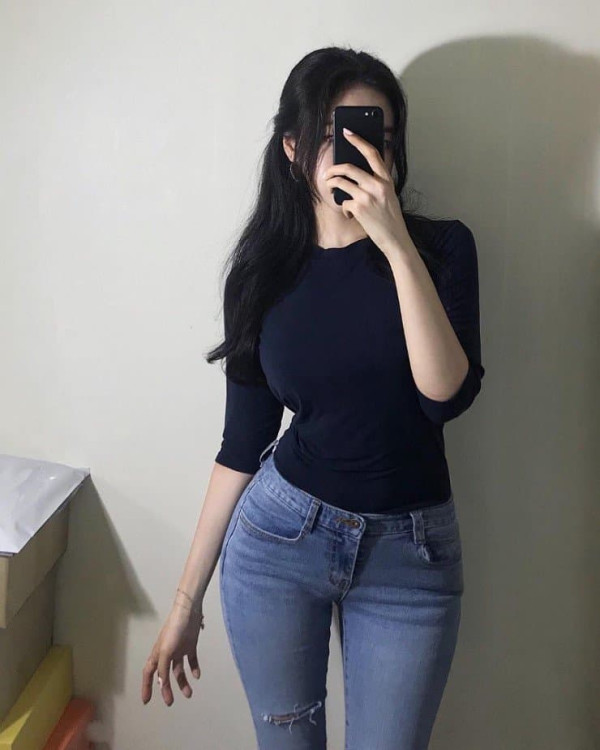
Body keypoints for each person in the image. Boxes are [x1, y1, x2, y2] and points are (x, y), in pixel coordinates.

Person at [142, 45, 485, 750]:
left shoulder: (442, 249)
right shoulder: (262, 274)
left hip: (410, 560)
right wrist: (184, 602)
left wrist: (395, 245)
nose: (357, 150)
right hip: (280, 541)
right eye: (335, 132)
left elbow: (444, 395)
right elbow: (241, 448)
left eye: (375, 134)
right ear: (293, 146)